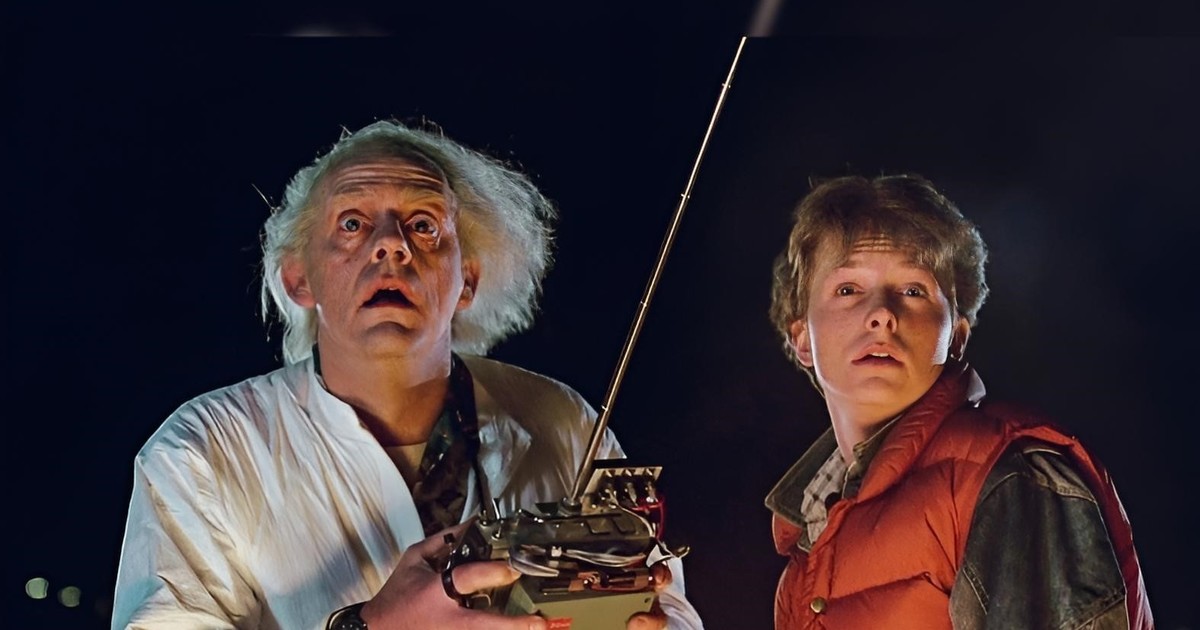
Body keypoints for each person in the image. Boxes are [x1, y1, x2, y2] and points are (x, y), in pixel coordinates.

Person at [111, 120, 703, 630]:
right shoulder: (201, 452)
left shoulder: (565, 422)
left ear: (467, 280)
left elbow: (671, 608)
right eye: (352, 224)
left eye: (423, 225)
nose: (391, 245)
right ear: (299, 279)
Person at [764, 173, 1153, 629]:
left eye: (913, 290)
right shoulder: (807, 547)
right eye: (848, 290)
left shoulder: (1008, 475)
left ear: (957, 336)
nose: (882, 314)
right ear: (802, 339)